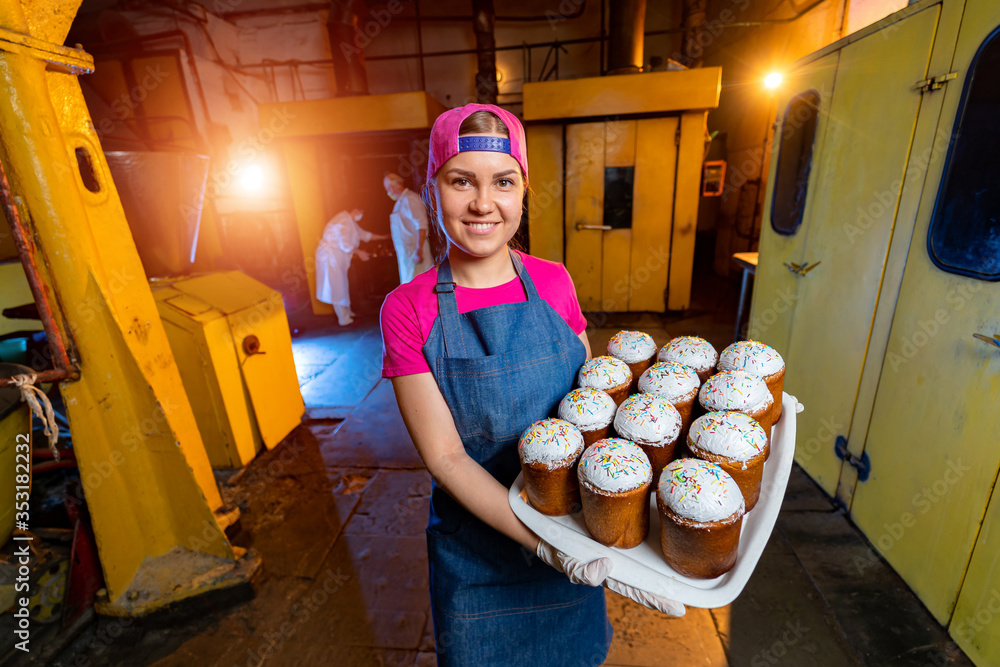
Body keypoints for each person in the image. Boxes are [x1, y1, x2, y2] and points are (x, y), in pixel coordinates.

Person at [379, 103, 683, 666]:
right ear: (432, 189)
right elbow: (447, 458)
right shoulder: (407, 309)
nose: (483, 203)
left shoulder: (553, 280)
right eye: (460, 180)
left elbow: (592, 407)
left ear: (523, 192)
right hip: (479, 559)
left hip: (575, 532)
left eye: (503, 182)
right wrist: (548, 546)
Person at [315, 208, 388, 325]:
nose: (362, 215)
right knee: (338, 287)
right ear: (355, 210)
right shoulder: (344, 220)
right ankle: (344, 319)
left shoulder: (350, 222)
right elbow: (345, 244)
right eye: (361, 212)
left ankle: (348, 314)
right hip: (331, 257)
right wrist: (360, 253)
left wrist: (384, 237)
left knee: (342, 285)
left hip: (336, 257)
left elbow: (364, 235)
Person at [383, 172, 434, 284]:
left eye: (388, 188)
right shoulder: (399, 203)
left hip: (416, 252)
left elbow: (421, 225)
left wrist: (418, 250)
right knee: (410, 286)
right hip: (407, 254)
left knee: (422, 285)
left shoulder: (410, 199)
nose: (389, 191)